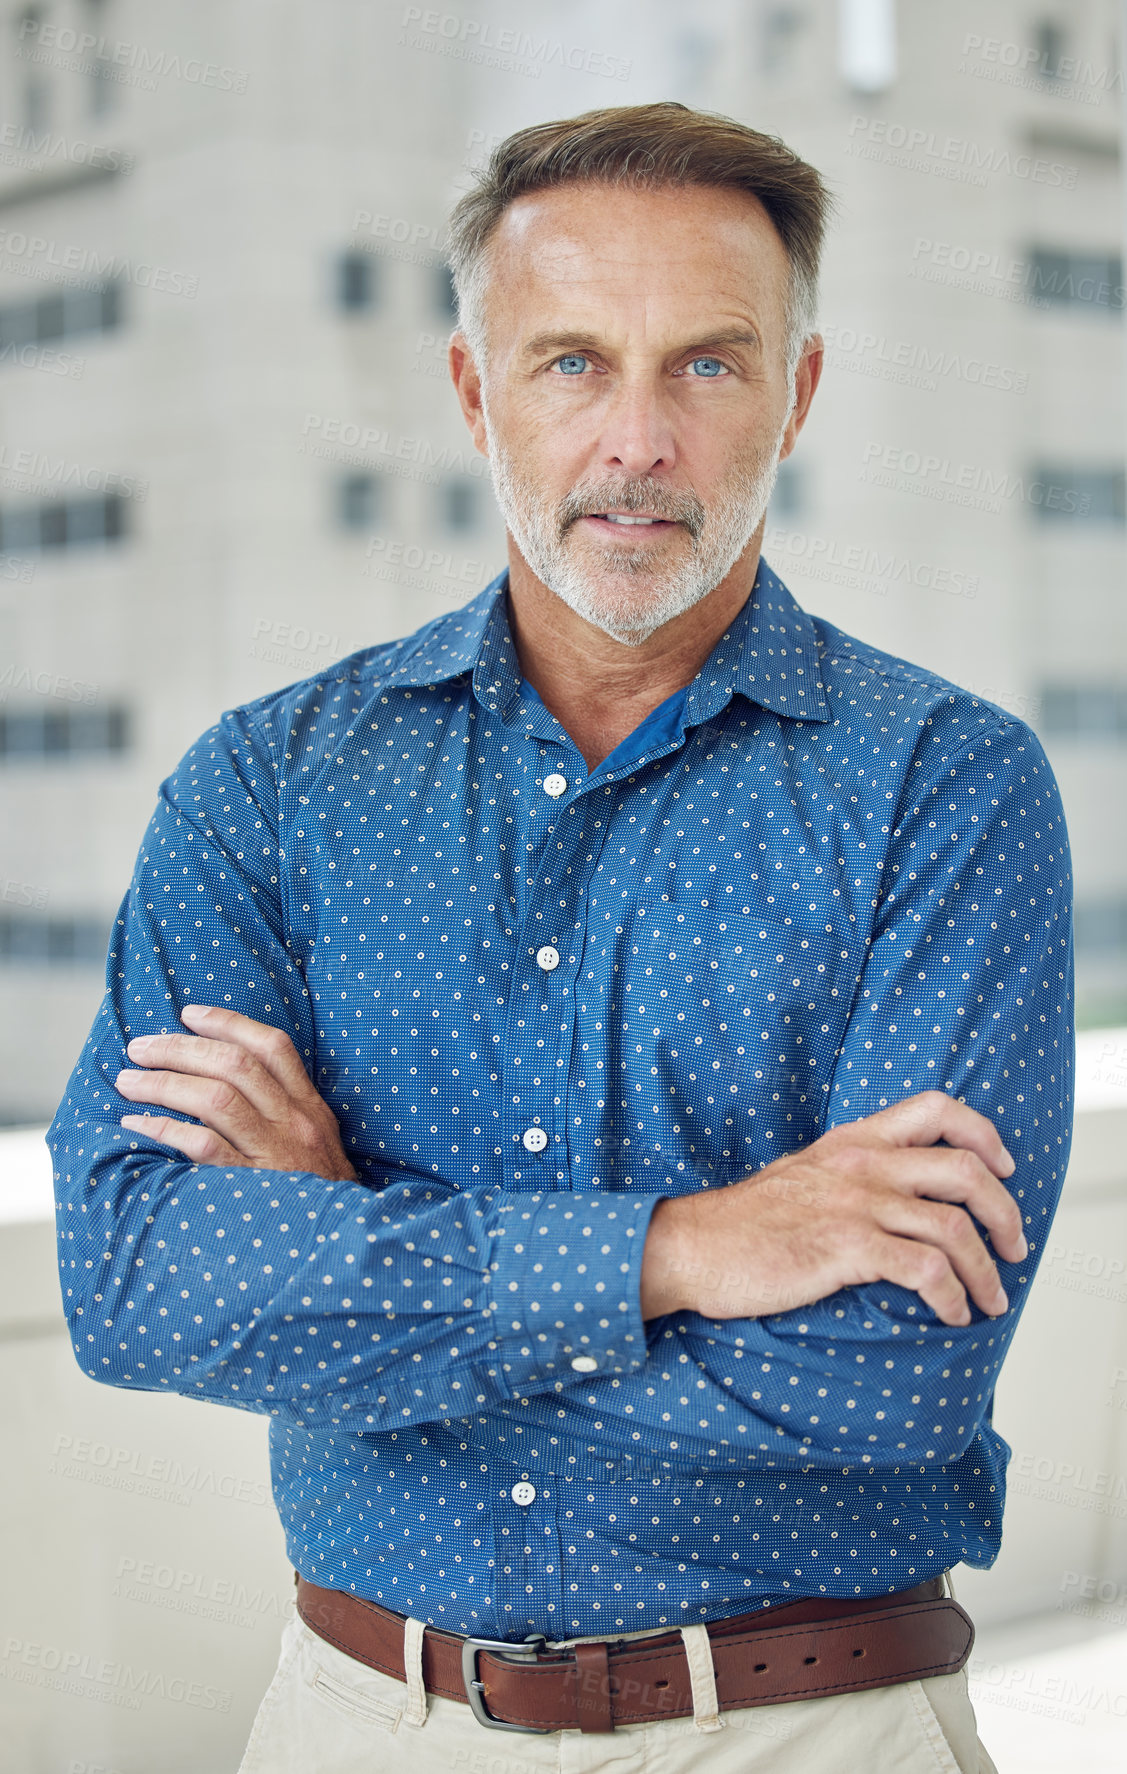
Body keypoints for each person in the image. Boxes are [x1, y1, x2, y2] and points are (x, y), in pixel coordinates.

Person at [49, 103, 1073, 1772]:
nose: (639, 440)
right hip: (357, 1722)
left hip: (812, 1729)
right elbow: (139, 1276)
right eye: (573, 363)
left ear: (799, 395)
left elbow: (897, 1381)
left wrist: (345, 1252)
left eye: (710, 367)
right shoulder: (271, 786)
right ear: (474, 393)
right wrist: (681, 1248)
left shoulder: (944, 792)